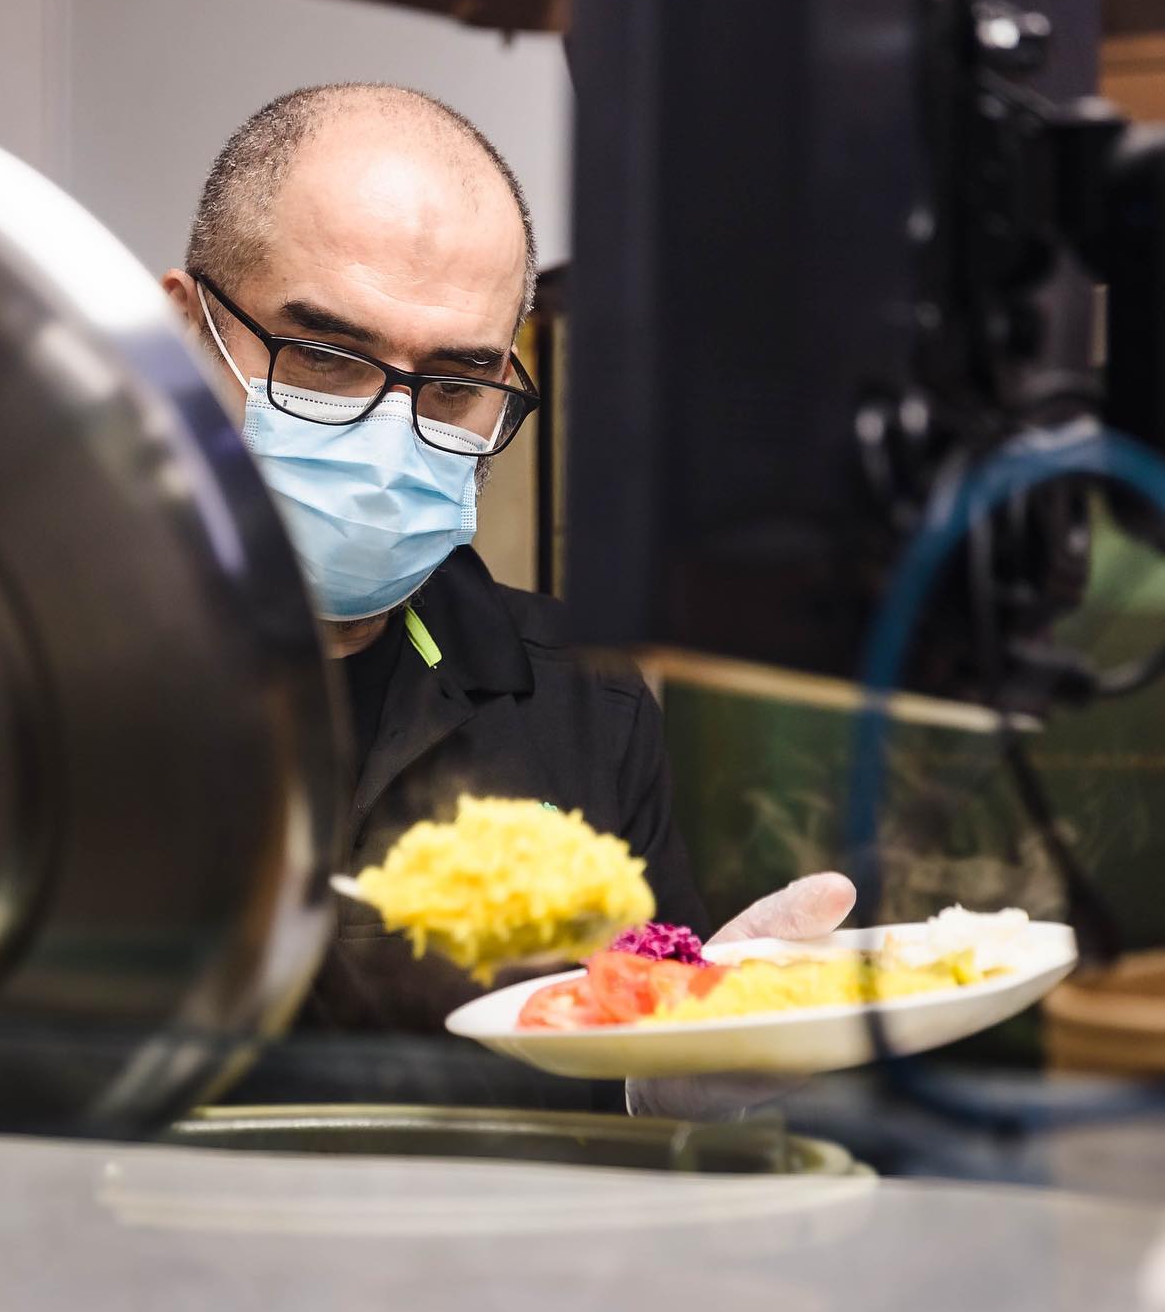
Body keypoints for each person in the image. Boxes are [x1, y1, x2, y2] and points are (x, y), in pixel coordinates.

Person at [161, 83, 854, 1033]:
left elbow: (637, 1030)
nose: (388, 439)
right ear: (183, 332)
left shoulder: (582, 703)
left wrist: (677, 1071)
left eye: (455, 383)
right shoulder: (20, 670)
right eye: (325, 357)